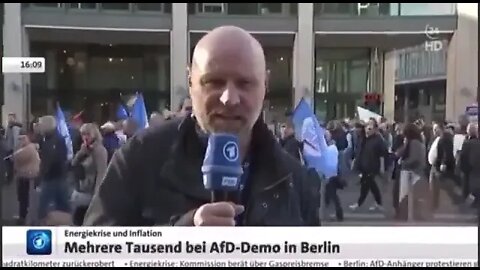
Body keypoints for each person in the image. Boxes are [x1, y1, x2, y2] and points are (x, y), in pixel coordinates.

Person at [83, 26, 319, 226]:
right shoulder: (140, 157)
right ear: (191, 83)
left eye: (245, 83)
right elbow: (92, 250)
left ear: (265, 85)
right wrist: (178, 240)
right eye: (214, 82)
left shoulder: (294, 179)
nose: (229, 98)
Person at [71, 123, 108, 225]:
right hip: (80, 188)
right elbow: (73, 164)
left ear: (94, 134)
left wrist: (97, 195)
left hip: (90, 192)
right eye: (83, 134)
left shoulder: (99, 150)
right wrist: (81, 153)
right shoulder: (84, 149)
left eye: (88, 134)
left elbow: (101, 172)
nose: (85, 137)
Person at [36, 115, 71, 223]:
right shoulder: (47, 139)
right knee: (60, 205)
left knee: (47, 207)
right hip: (54, 177)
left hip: (54, 177)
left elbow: (55, 159)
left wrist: (42, 173)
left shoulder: (56, 140)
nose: (39, 127)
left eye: (40, 124)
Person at [350, 118, 388, 212]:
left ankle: (359, 203)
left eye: (371, 126)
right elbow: (358, 152)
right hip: (363, 166)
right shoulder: (362, 138)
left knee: (366, 185)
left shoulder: (378, 139)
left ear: (375, 129)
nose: (368, 128)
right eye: (367, 126)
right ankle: (378, 203)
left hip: (372, 166)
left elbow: (382, 154)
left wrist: (382, 167)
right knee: (371, 185)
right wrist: (355, 162)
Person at [12, 132, 40, 225]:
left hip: (26, 176)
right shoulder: (29, 148)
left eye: (23, 138)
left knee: (24, 198)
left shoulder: (27, 149)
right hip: (26, 175)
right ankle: (24, 216)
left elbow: (16, 157)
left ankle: (23, 218)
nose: (21, 141)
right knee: (25, 197)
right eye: (20, 139)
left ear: (28, 138)